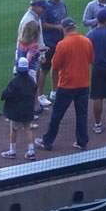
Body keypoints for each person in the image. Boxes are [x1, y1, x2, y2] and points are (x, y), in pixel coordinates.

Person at [39, 17, 93, 152]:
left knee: (57, 115)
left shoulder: (62, 44)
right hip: (83, 84)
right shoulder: (87, 41)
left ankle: (47, 141)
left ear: (64, 29)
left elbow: (55, 67)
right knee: (82, 114)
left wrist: (54, 88)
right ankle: (82, 142)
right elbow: (90, 61)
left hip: (66, 85)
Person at [0, 56, 38, 159]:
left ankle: (12, 151)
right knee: (27, 129)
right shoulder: (31, 81)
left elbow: (4, 95)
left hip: (16, 111)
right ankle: (31, 151)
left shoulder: (14, 82)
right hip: (28, 110)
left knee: (14, 129)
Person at [38, 0, 70, 108]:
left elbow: (64, 20)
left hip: (60, 42)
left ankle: (54, 91)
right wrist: (57, 27)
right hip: (48, 42)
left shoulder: (63, 4)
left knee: (57, 67)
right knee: (44, 69)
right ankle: (40, 95)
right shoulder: (46, 6)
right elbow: (42, 24)